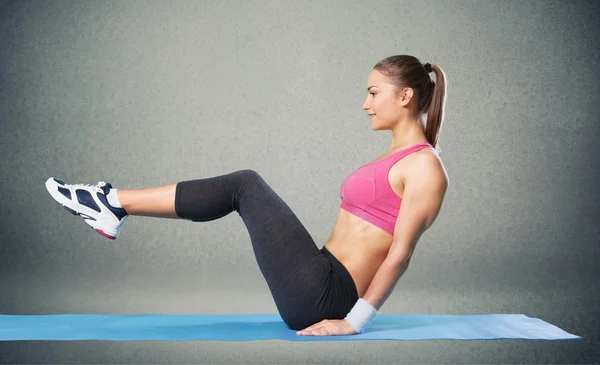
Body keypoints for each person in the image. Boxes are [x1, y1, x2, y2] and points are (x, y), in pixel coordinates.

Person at [45, 54, 449, 337]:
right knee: (245, 184)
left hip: (325, 296)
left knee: (245, 184)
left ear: (405, 96)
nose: (365, 104)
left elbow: (400, 254)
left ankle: (112, 203)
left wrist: (354, 322)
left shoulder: (424, 167)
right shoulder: (400, 156)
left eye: (373, 92)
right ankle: (112, 204)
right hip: (319, 275)